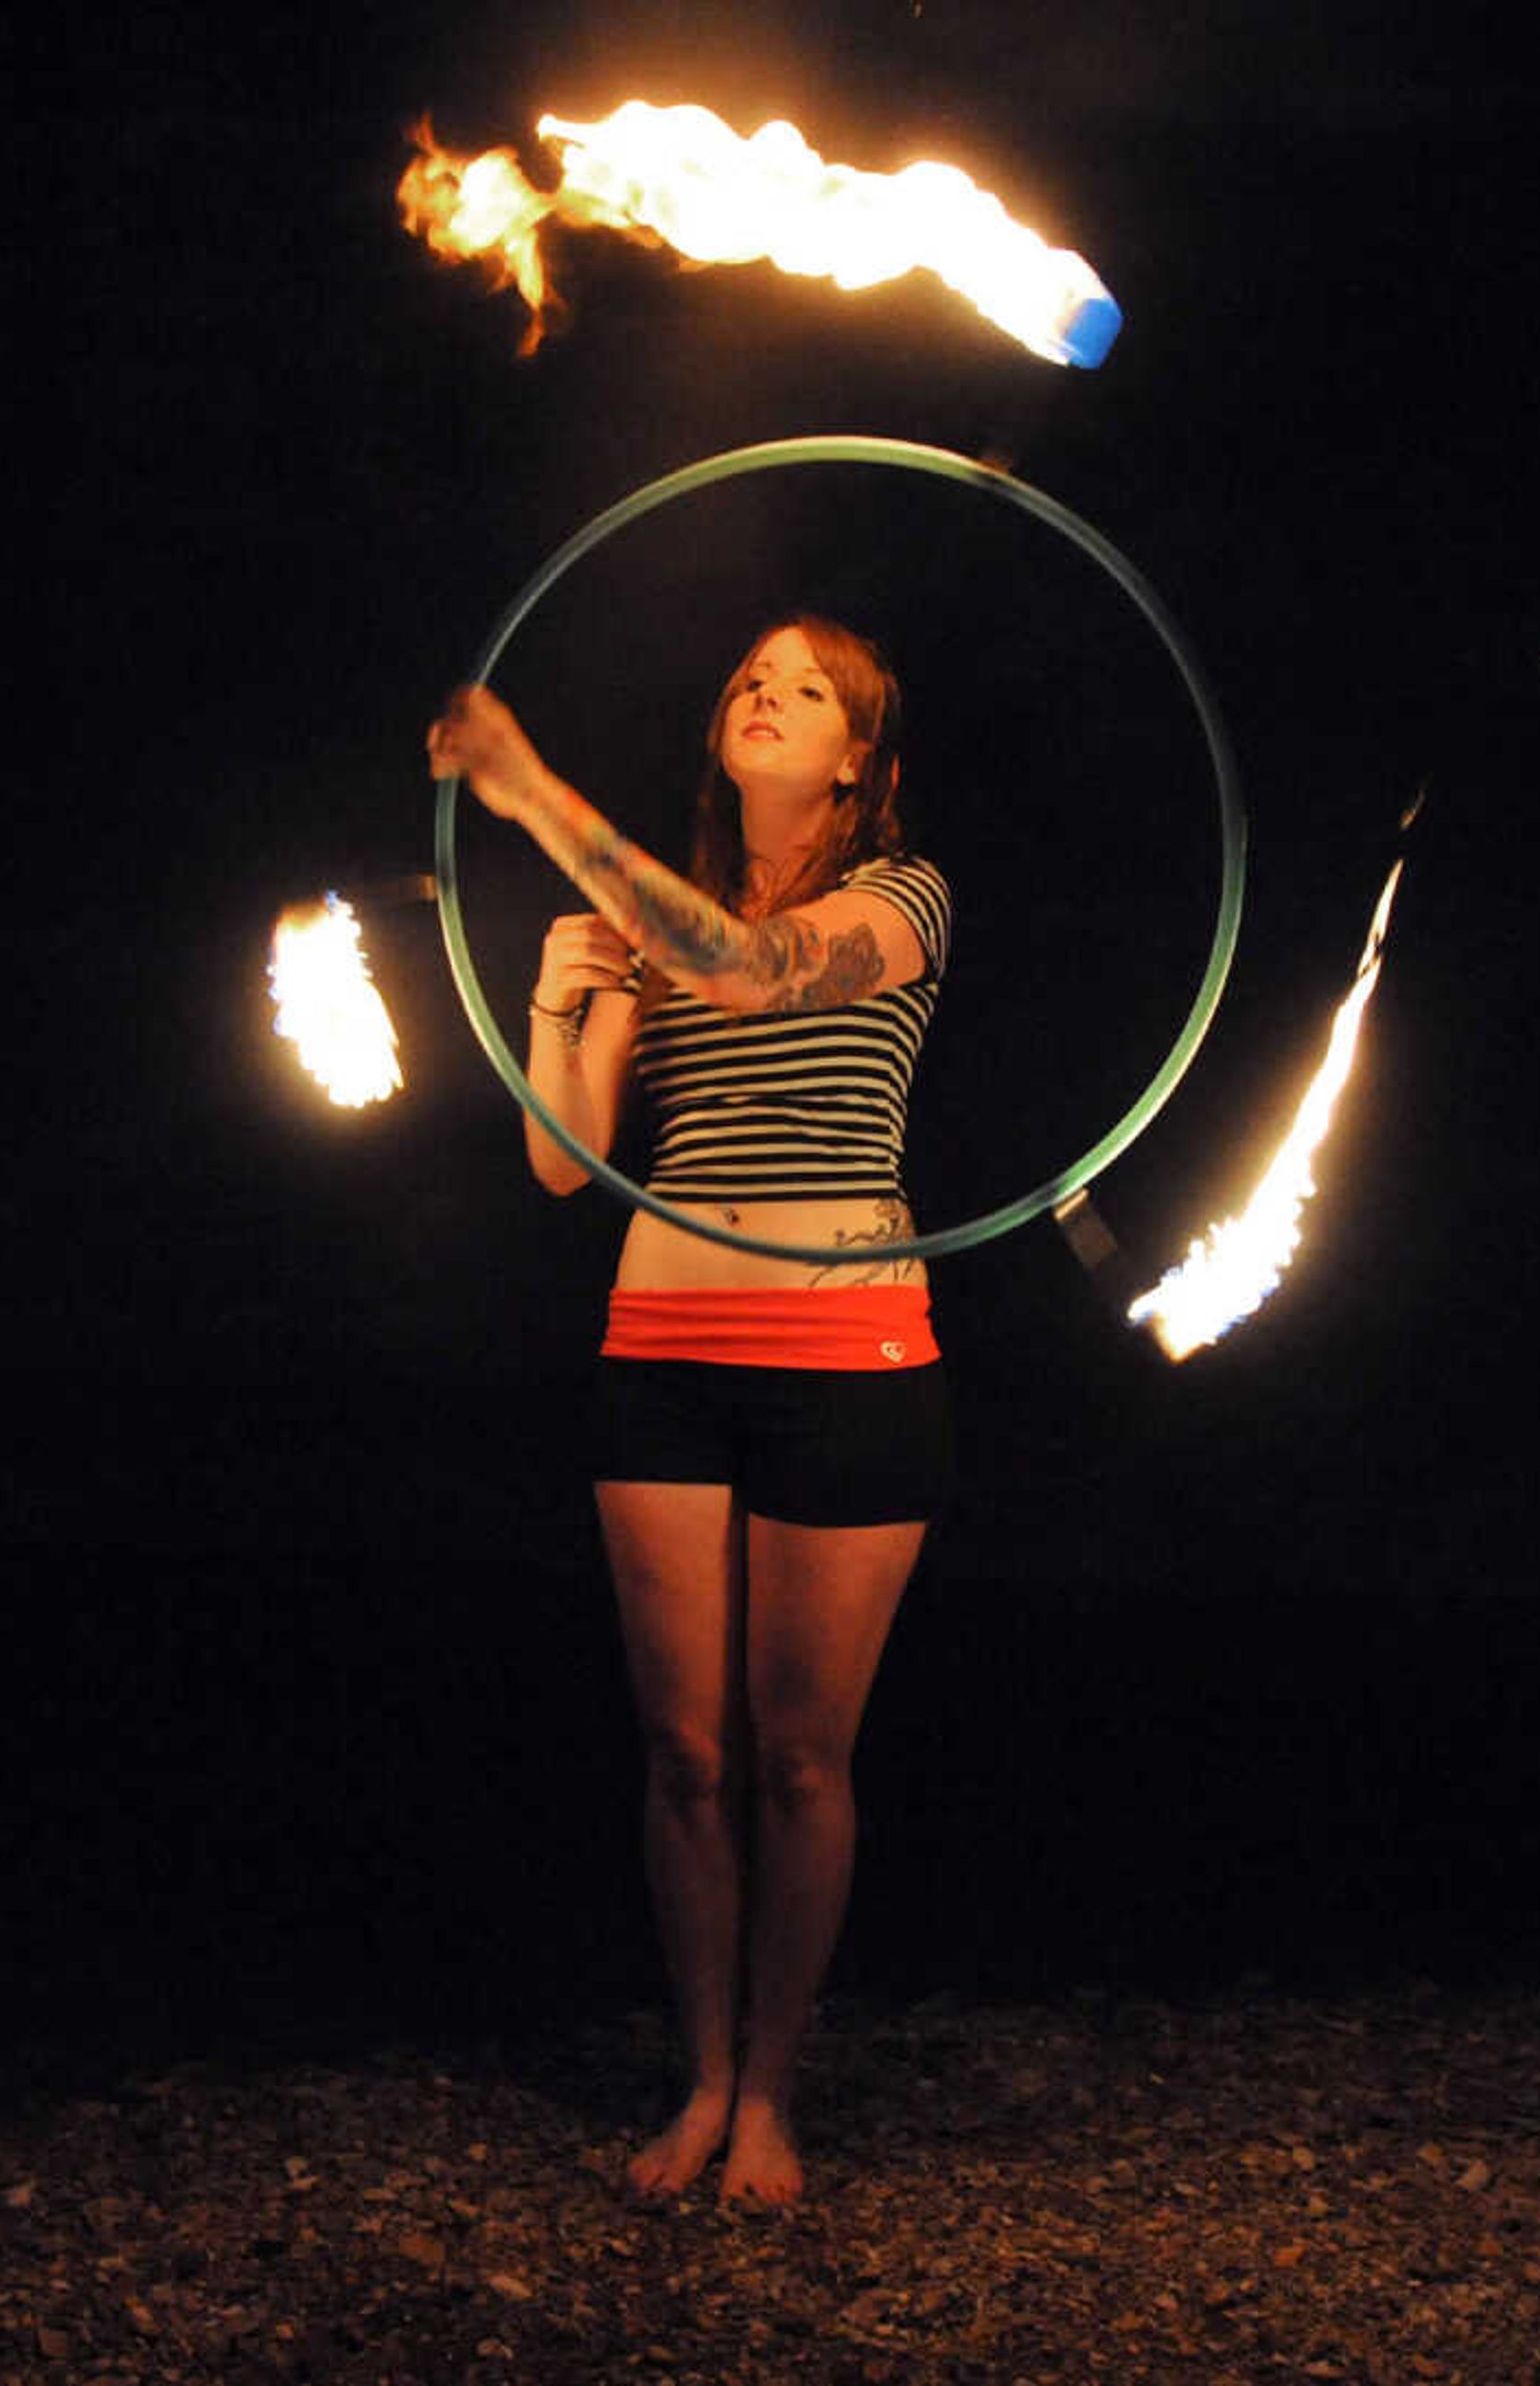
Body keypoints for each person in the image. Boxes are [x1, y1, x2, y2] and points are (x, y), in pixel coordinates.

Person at [425, 617, 951, 2209]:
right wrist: (551, 996)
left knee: (801, 1758)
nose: (763, 691)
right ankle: (706, 2074)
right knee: (682, 1751)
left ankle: (772, 2096)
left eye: (806, 687)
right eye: (745, 675)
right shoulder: (652, 926)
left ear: (857, 753)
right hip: (658, 1342)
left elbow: (759, 966)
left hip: (847, 1354)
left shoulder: (900, 898)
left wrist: (535, 798)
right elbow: (561, 1158)